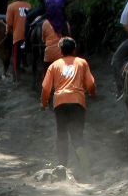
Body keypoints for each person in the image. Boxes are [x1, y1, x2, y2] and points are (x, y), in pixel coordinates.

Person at [40, 36, 96, 171]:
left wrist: (44, 103)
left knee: (61, 134)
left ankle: (62, 166)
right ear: (74, 50)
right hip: (78, 101)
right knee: (77, 135)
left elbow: (46, 88)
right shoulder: (82, 63)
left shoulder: (54, 66)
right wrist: (93, 94)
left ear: (60, 51)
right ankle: (83, 165)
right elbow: (91, 84)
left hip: (60, 102)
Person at [5, 0, 32, 67]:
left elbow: (9, 23)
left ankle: (16, 77)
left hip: (18, 36)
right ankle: (25, 63)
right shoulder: (28, 5)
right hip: (28, 35)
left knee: (16, 58)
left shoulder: (11, 7)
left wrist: (7, 32)